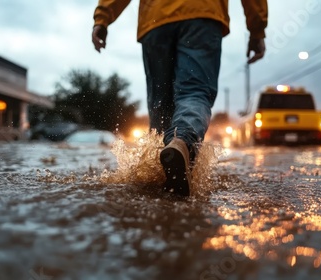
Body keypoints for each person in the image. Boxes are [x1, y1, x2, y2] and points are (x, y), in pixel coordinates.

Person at [92, 0, 268, 196]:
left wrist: (103, 18)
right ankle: (182, 140)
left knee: (161, 103)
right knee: (195, 91)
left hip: (156, 19)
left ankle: (162, 172)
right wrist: (257, 31)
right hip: (202, 14)